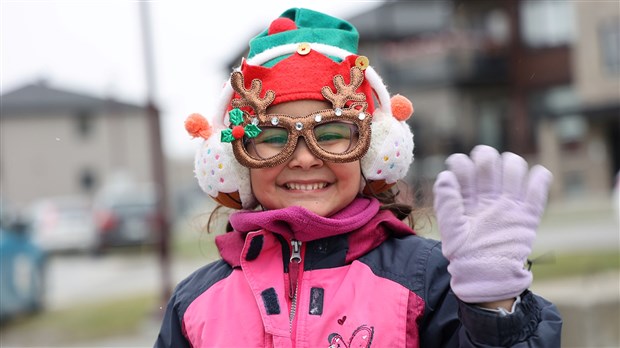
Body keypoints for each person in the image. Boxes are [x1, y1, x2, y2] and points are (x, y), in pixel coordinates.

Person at [155, 7, 562, 347]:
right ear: (234, 161)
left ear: (376, 151)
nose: (303, 160)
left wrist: (493, 308)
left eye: (331, 134)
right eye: (273, 138)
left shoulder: (430, 280)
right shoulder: (195, 304)